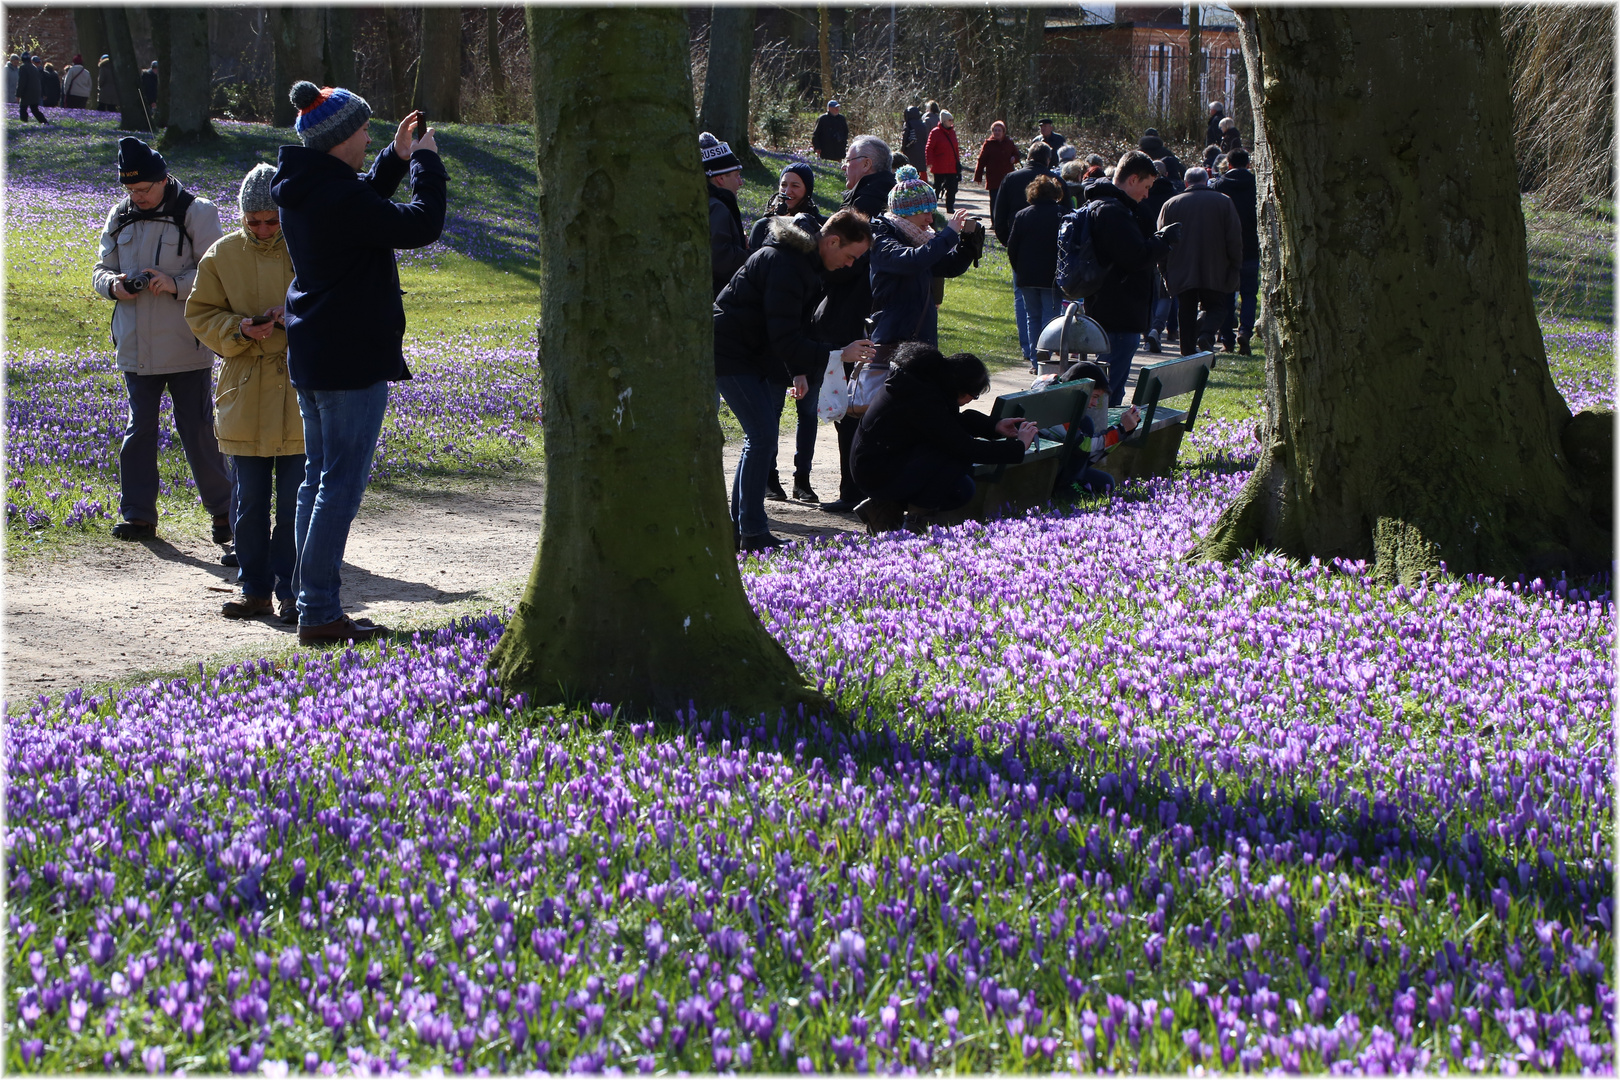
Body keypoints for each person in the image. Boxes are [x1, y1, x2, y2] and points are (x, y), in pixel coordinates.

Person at [271, 81, 446, 645]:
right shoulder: (337, 196)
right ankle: (320, 610)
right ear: (341, 138)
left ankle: (305, 599)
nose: (369, 135)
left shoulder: (308, 185)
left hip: (317, 350)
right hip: (350, 357)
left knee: (316, 483)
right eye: (364, 130)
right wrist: (425, 164)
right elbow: (420, 225)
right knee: (337, 489)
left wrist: (394, 158)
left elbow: (361, 203)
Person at [92, 136, 231, 544]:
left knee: (199, 431)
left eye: (145, 189)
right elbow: (100, 268)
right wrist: (113, 286)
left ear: (162, 178)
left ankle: (224, 514)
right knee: (139, 431)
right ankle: (138, 516)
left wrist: (175, 283)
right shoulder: (119, 215)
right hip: (134, 346)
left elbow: (217, 275)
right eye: (131, 190)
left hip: (185, 344)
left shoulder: (197, 212)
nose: (139, 197)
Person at [184, 164, 304, 624]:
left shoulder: (306, 245)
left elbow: (331, 306)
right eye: (253, 221)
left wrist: (291, 320)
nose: (263, 229)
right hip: (245, 387)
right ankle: (254, 589)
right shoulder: (221, 255)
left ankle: (294, 590)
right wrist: (239, 329)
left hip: (296, 388)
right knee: (249, 501)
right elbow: (200, 315)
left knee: (296, 501)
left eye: (272, 220)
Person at [714, 210, 874, 551]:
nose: (849, 265)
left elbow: (788, 330)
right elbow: (785, 337)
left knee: (760, 437)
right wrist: (837, 354)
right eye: (849, 256)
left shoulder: (803, 266)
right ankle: (752, 532)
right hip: (731, 352)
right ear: (831, 241)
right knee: (762, 436)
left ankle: (743, 528)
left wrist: (799, 370)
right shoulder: (787, 265)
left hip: (749, 353)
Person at [850, 344, 1036, 533]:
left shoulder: (926, 384)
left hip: (881, 463)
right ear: (961, 388)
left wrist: (994, 426)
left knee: (961, 489)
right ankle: (914, 523)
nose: (971, 400)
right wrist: (1018, 448)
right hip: (876, 473)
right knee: (956, 458)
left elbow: (949, 425)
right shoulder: (922, 398)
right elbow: (963, 446)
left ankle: (884, 509)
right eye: (973, 396)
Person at [813, 135, 896, 514]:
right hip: (865, 316)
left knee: (849, 410)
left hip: (851, 318)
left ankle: (853, 490)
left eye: (849, 159)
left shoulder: (865, 206)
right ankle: (857, 487)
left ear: (867, 164)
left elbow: (847, 271)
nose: (844, 166)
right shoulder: (880, 198)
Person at [747, 162, 827, 503]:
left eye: (795, 185)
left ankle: (803, 479)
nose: (788, 191)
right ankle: (769, 477)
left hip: (805, 332)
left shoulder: (816, 227)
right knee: (772, 411)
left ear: (807, 190)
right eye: (784, 184)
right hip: (773, 337)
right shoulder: (763, 226)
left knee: (808, 411)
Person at [1079, 151, 1177, 405]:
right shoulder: (1113, 211)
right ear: (1132, 179)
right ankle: (1104, 439)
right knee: (1109, 392)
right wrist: (1162, 241)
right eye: (1146, 187)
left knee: (1111, 387)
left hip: (1115, 310)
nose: (1147, 194)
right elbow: (1134, 257)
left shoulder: (1114, 207)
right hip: (1118, 313)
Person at [868, 165, 980, 350]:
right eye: (925, 212)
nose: (930, 219)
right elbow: (911, 261)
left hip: (921, 338)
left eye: (932, 212)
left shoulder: (921, 239)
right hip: (893, 338)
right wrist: (949, 234)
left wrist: (968, 245)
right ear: (905, 212)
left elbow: (949, 266)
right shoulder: (881, 237)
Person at [1156, 165, 1241, 355]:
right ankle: (1206, 333)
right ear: (1206, 181)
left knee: (1185, 311)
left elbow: (1160, 239)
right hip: (1215, 267)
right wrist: (1235, 264)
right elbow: (1234, 237)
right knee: (1217, 308)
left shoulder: (1171, 204)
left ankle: (1186, 351)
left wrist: (1164, 269)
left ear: (1186, 183)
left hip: (1181, 267)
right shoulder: (1224, 202)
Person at [1005, 175, 1067, 373]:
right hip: (1052, 276)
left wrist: (1019, 269)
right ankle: (1046, 357)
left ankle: (1035, 359)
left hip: (1028, 275)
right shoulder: (1063, 215)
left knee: (1032, 317)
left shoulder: (1023, 215)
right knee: (1051, 317)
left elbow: (1012, 248)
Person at [1052, 362, 1140, 495]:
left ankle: (1073, 483)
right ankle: (1066, 488)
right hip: (1052, 467)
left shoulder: (1059, 396)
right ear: (1079, 389)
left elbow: (1088, 454)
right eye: (1094, 397)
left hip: (1063, 463)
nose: (1095, 403)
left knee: (1106, 483)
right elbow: (1084, 446)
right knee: (1086, 422)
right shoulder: (1057, 408)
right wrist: (1121, 430)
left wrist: (1123, 431)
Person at [1213, 147, 1260, 354]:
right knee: (1249, 294)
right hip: (1250, 248)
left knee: (1226, 295)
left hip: (1225, 249)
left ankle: (1227, 339)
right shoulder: (1257, 185)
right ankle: (1245, 331)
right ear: (1248, 164)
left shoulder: (1219, 186)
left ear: (1228, 164)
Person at [700, 132, 748, 299]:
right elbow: (721, 257)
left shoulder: (706, 203)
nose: (740, 182)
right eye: (736, 175)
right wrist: (755, 256)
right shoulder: (718, 207)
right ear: (720, 179)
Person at [992, 142, 1055, 246]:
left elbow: (1000, 213)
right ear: (1048, 160)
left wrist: (1006, 240)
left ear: (1028, 157)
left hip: (1018, 235)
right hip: (1049, 238)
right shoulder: (1055, 180)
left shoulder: (1010, 179)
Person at [923, 109, 961, 213]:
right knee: (937, 187)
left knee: (952, 188)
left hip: (952, 166)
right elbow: (929, 148)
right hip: (939, 166)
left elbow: (956, 149)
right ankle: (933, 207)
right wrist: (929, 161)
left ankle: (950, 207)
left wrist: (958, 162)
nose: (951, 122)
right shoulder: (935, 132)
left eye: (952, 120)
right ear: (943, 121)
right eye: (949, 120)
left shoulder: (952, 133)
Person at [973, 120, 1022, 198]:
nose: (997, 132)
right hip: (993, 178)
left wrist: (1014, 158)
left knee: (1007, 201)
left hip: (1007, 177)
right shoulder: (988, 144)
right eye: (995, 130)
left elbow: (1017, 155)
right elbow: (981, 160)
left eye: (999, 130)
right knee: (994, 200)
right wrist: (978, 176)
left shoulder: (1009, 143)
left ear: (1003, 132)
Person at [16, 50, 47, 123]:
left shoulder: (23, 67)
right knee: (35, 109)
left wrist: (18, 94)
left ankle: (24, 123)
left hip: (27, 92)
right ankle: (45, 123)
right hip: (36, 92)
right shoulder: (34, 67)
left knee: (23, 109)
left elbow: (22, 82)